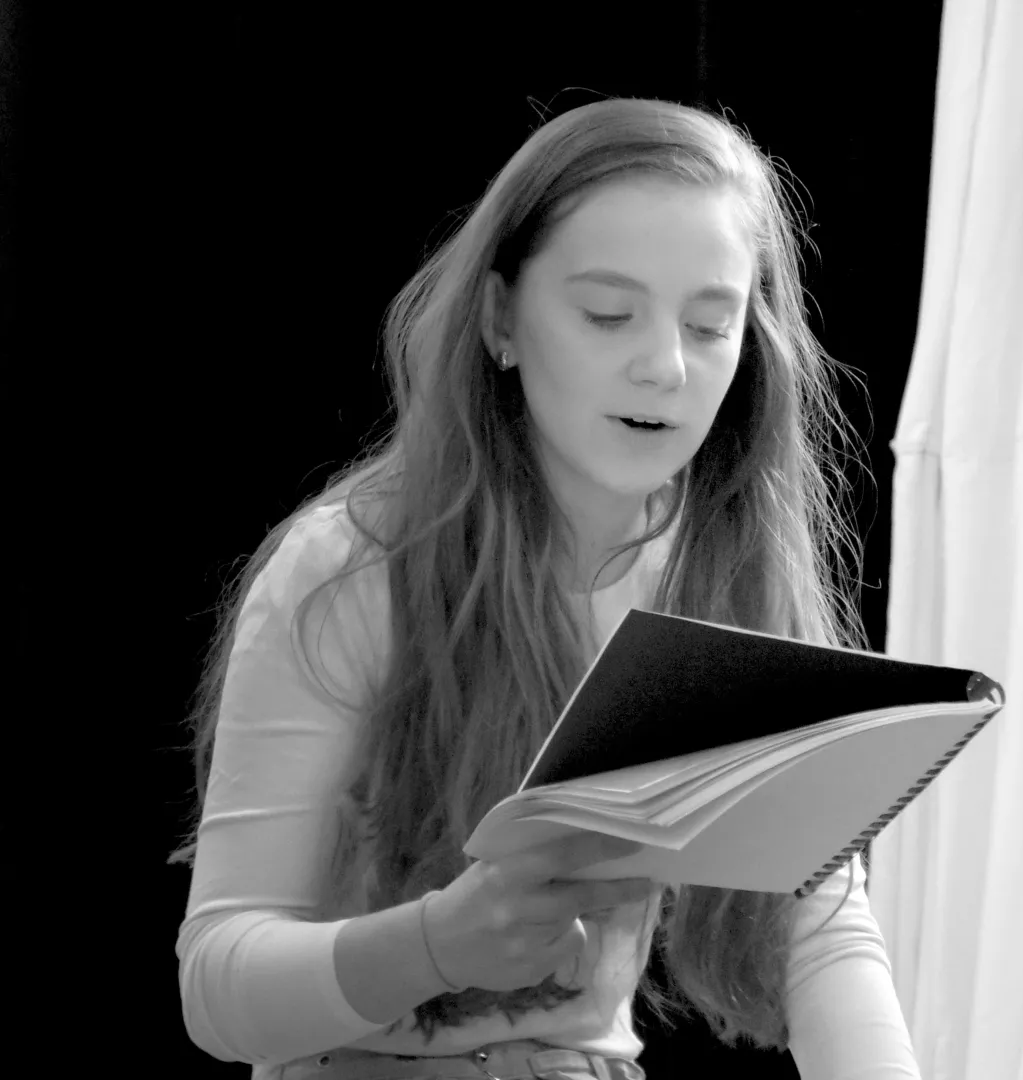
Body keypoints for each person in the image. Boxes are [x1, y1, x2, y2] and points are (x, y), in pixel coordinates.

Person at [172, 98, 921, 1080]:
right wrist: (438, 942)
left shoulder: (721, 574)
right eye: (608, 314)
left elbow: (819, 928)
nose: (665, 366)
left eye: (710, 325)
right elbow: (218, 991)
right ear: (500, 319)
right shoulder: (347, 571)